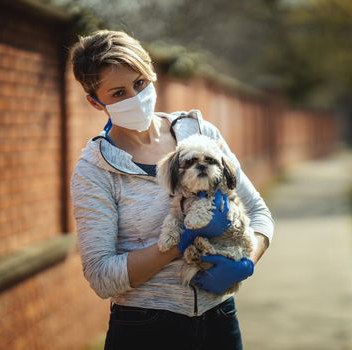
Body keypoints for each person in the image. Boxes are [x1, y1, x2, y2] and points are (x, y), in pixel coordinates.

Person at [69, 30, 274, 350]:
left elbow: (259, 213)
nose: (135, 98)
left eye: (140, 83)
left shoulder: (200, 133)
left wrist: (246, 262)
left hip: (219, 318)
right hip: (144, 329)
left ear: (151, 74)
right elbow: (101, 275)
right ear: (95, 102)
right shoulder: (95, 169)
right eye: (118, 93)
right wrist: (180, 243)